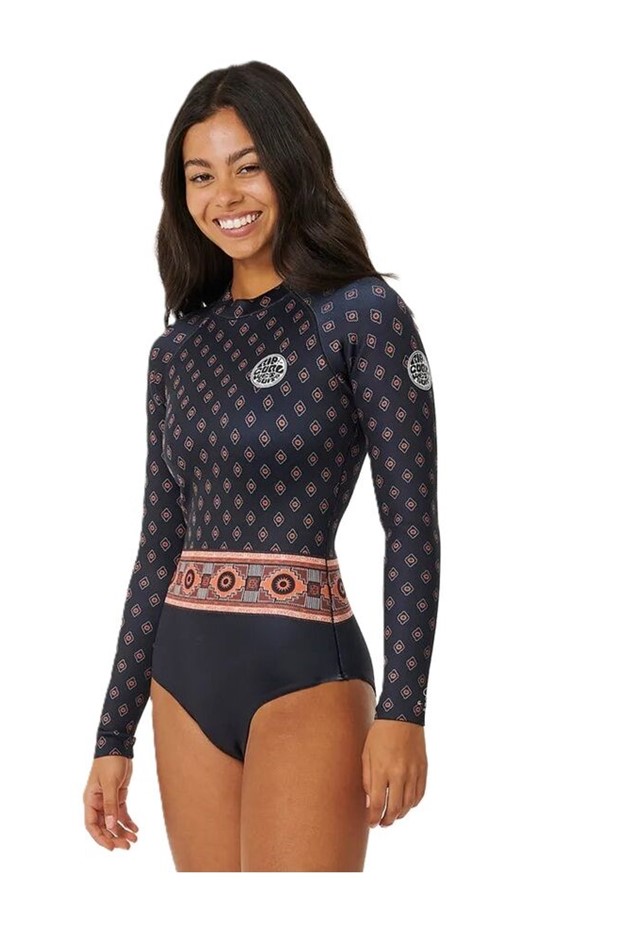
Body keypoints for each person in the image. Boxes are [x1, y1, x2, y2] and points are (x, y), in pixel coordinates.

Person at [82, 61, 441, 871]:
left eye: (247, 166)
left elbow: (411, 525)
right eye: (201, 176)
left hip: (304, 677)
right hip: (181, 679)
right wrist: (112, 734)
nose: (226, 196)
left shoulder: (364, 315)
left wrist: (405, 708)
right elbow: (158, 547)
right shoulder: (177, 351)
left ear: (290, 163)